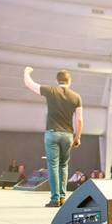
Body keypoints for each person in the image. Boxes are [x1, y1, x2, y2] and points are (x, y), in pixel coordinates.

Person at [23, 67, 82, 207]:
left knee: (53, 166)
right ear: (70, 81)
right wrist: (77, 137)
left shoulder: (50, 91)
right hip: (68, 134)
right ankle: (62, 197)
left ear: (57, 80)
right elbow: (79, 119)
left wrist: (27, 71)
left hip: (52, 133)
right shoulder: (76, 97)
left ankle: (55, 199)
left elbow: (29, 84)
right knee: (63, 166)